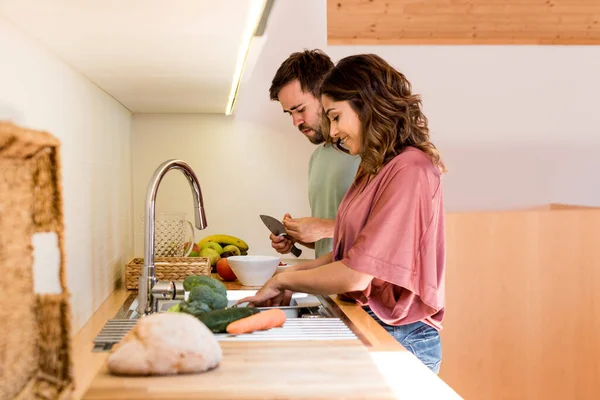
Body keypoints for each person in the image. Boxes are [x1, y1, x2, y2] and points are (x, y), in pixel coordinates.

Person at [241, 54, 447, 374]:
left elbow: (356, 273)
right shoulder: (372, 168)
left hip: (404, 339)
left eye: (336, 117)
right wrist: (284, 278)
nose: (333, 131)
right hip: (372, 321)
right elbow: (347, 253)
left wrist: (289, 280)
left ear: (365, 105)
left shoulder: (410, 169)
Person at [268, 50, 360, 259]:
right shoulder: (317, 158)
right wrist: (299, 236)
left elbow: (385, 231)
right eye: (289, 113)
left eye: (300, 109)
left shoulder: (368, 154)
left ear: (325, 95)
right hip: (325, 285)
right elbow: (330, 241)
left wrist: (324, 227)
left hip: (358, 287)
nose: (296, 122)